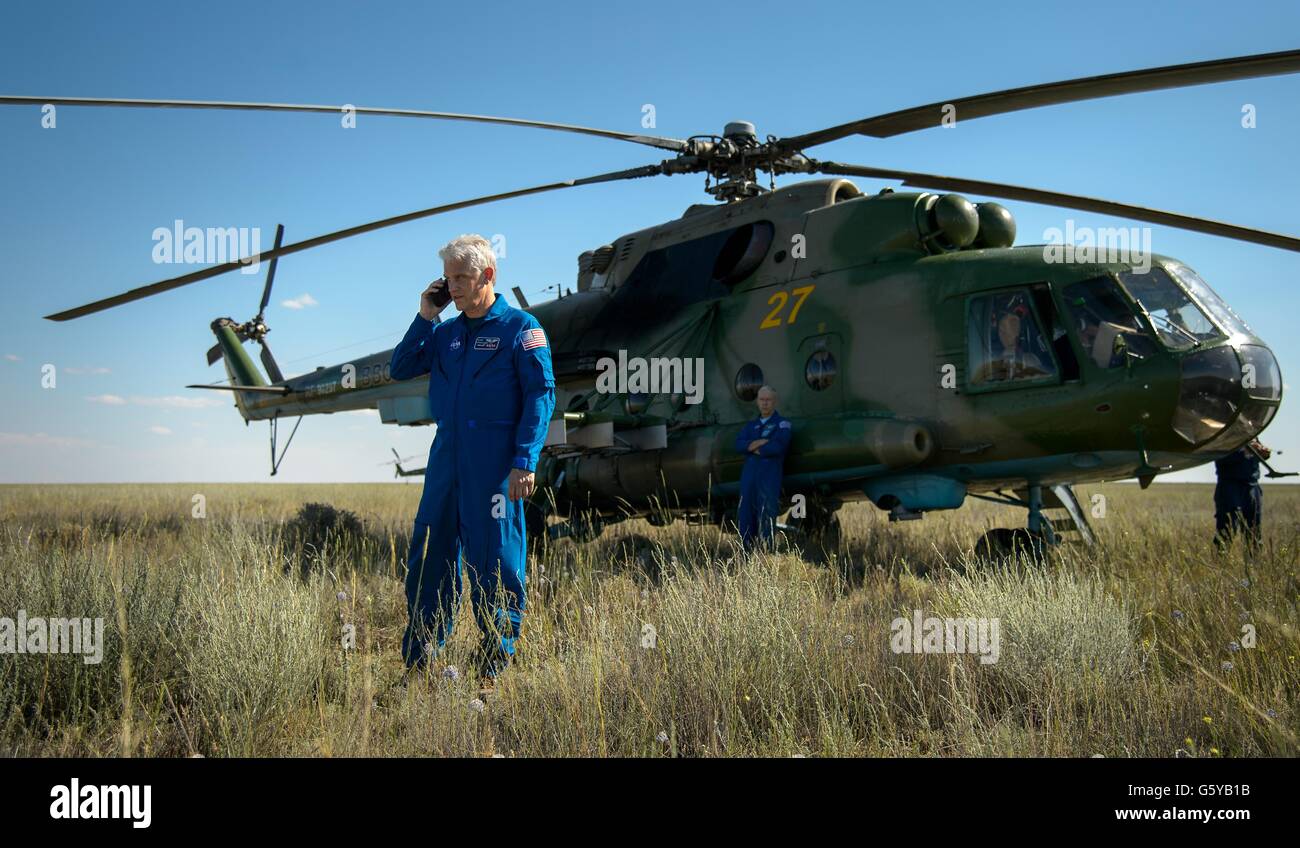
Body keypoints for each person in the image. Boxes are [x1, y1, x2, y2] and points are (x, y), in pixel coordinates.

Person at [389, 234, 556, 681]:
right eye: (448, 279)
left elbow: (541, 394)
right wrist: (426, 314)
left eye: (461, 277)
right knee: (430, 556)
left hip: (496, 464)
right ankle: (419, 661)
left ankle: (493, 664)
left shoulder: (521, 329)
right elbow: (400, 367)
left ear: (488, 274)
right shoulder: (445, 334)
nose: (455, 286)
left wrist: (525, 460)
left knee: (495, 560)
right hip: (447, 460)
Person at [733, 386, 792, 550]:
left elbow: (778, 446)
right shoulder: (750, 426)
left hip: (769, 476)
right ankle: (746, 554)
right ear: (757, 402)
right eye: (762, 400)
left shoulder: (782, 424)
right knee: (745, 514)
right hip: (749, 477)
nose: (765, 403)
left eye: (768, 400)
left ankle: (766, 554)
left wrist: (752, 447)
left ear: (774, 402)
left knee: (766, 514)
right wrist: (760, 443)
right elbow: (738, 445)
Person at [1213, 439, 1269, 552]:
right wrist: (1242, 452)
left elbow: (1260, 455)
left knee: (1253, 531)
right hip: (1229, 485)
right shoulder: (1224, 432)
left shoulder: (1251, 431)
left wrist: (1263, 452)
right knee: (1226, 529)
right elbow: (1218, 456)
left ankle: (1254, 566)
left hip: (1252, 485)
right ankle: (1221, 563)